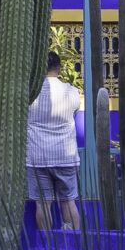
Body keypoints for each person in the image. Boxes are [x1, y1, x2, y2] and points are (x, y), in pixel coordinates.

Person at [26, 50, 83, 233]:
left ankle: (47, 247)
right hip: (64, 156)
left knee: (43, 204)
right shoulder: (72, 92)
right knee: (68, 201)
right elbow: (73, 112)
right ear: (59, 69)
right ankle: (72, 246)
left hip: (37, 157)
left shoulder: (30, 93)